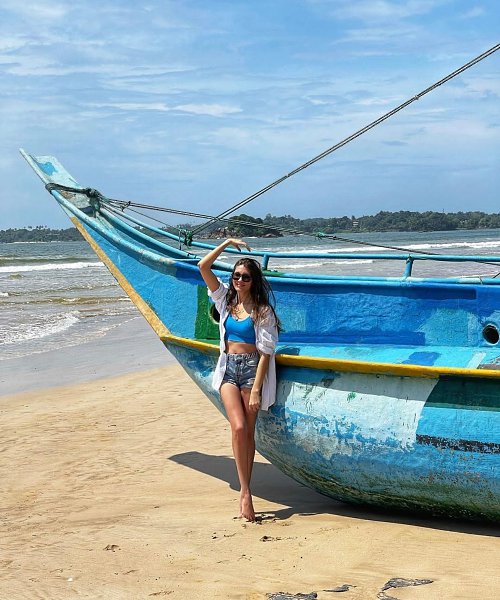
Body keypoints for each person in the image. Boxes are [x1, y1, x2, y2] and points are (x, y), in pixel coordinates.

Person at [198, 238, 280, 521]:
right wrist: (227, 242)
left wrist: (257, 389)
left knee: (248, 432)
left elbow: (266, 352)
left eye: (245, 277)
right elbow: (203, 266)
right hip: (228, 370)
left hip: (252, 370)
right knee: (238, 427)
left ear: (253, 281)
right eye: (236, 276)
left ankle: (247, 491)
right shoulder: (225, 301)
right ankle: (245, 491)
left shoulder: (262, 311)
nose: (239, 281)